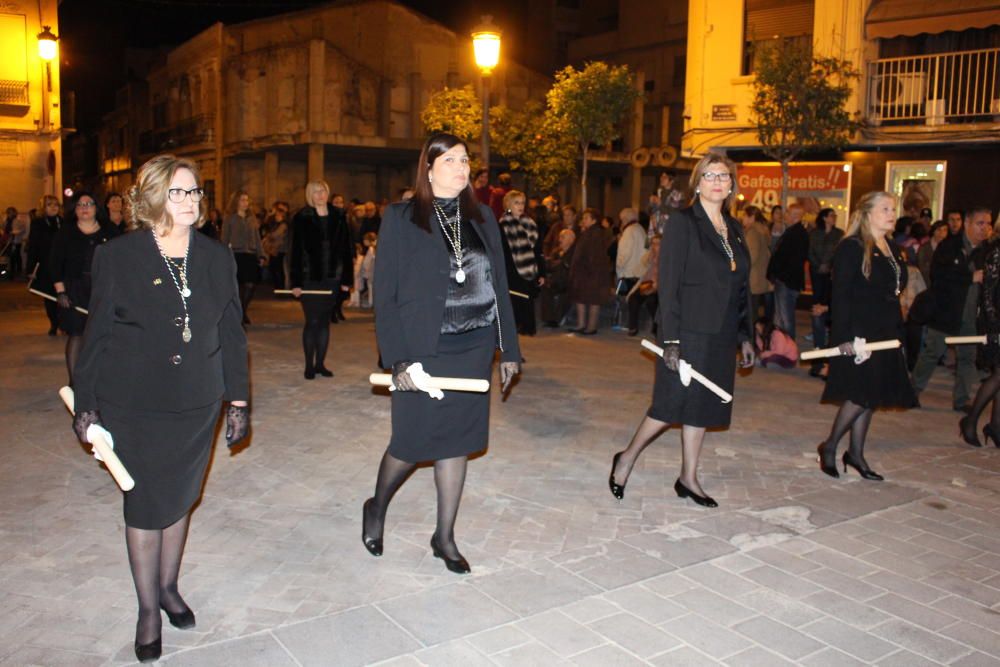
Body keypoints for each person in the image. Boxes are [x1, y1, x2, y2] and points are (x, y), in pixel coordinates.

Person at [69, 154, 250, 662]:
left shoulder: (217, 256)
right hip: (134, 402)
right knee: (146, 505)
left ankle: (169, 587)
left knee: (181, 497)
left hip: (197, 403)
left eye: (194, 192)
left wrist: (237, 399)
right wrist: (86, 406)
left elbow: (232, 333)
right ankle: (149, 608)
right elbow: (96, 335)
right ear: (150, 199)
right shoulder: (119, 256)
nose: (189, 202)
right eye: (178, 192)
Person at [363, 132, 520, 574]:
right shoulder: (400, 217)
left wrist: (509, 348)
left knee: (458, 441)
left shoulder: (484, 217)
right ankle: (376, 507)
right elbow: (386, 295)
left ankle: (444, 535)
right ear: (428, 169)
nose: (460, 167)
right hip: (421, 349)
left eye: (465, 160)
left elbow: (499, 286)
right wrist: (397, 359)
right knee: (411, 442)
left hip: (473, 345)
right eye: (449, 160)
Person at [610, 153, 755, 508]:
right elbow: (669, 284)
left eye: (724, 176)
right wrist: (670, 339)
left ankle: (688, 477)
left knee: (703, 405)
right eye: (709, 175)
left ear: (732, 184)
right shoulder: (682, 222)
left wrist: (745, 334)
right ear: (697, 182)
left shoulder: (734, 228)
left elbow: (741, 286)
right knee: (668, 404)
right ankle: (626, 457)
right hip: (687, 330)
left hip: (720, 333)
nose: (717, 181)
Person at [817, 191, 917, 480]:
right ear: (867, 213)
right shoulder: (852, 247)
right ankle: (830, 445)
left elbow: (894, 292)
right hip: (860, 331)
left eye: (893, 208)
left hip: (886, 330)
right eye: (885, 208)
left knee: (872, 395)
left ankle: (856, 453)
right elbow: (842, 296)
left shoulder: (894, 248)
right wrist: (845, 337)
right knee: (860, 394)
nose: (891, 213)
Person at [911, 207, 993, 412]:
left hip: (972, 314)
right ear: (967, 223)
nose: (984, 228)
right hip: (945, 311)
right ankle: (912, 391)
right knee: (932, 352)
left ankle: (962, 399)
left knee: (967, 357)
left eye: (988, 224)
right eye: (980, 223)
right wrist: (969, 278)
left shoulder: (988, 251)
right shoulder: (950, 246)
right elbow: (938, 276)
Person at [49, 192, 119, 383]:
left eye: (89, 203)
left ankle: (101, 380)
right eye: (80, 205)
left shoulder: (110, 231)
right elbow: (55, 265)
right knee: (77, 334)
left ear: (97, 207)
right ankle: (75, 383)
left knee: (104, 335)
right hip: (75, 290)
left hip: (103, 290)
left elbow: (122, 261)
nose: (84, 207)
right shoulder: (65, 233)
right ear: (74, 209)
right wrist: (61, 292)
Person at [289, 180, 354, 379]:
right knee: (312, 321)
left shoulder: (339, 215)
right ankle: (309, 365)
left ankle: (320, 364)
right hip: (310, 278)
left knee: (325, 322)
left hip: (333, 278)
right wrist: (296, 283)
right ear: (310, 195)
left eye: (323, 191)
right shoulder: (302, 217)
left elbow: (346, 249)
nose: (320, 195)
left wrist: (346, 279)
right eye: (316, 192)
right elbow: (296, 252)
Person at [961, 221, 1000, 447]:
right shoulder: (996, 251)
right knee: (998, 375)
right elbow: (988, 292)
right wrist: (994, 326)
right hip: (996, 321)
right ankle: (971, 420)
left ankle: (995, 425)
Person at [498, 189, 543, 335]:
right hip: (511, 271)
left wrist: (541, 272)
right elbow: (502, 252)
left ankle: (527, 329)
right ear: (509, 204)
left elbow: (538, 251)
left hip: (529, 269)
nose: (520, 206)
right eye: (517, 203)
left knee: (527, 302)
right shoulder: (503, 225)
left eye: (522, 203)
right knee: (514, 303)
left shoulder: (530, 224)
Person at [808, 208, 844, 378]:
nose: (834, 218)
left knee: (830, 316)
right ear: (824, 218)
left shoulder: (839, 234)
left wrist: (828, 266)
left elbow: (838, 253)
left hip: (832, 279)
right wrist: (818, 265)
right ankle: (818, 358)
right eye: (831, 215)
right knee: (817, 314)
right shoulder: (815, 233)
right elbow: (811, 251)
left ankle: (828, 361)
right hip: (817, 275)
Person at [221, 190, 266, 325]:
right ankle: (239, 314)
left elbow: (257, 238)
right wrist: (223, 257)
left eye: (247, 200)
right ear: (236, 202)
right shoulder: (230, 218)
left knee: (251, 285)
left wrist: (261, 254)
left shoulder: (252, 218)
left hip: (250, 255)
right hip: (236, 255)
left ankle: (242, 310)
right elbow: (224, 238)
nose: (245, 203)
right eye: (242, 200)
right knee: (239, 287)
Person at [766, 203, 809, 340]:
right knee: (780, 317)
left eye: (788, 212)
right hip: (785, 281)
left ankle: (788, 348)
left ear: (795, 216)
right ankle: (780, 346)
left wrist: (779, 275)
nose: (785, 215)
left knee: (786, 318)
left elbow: (791, 260)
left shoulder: (797, 234)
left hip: (787, 282)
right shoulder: (793, 232)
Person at [568, 208, 612, 335]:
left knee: (593, 300)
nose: (583, 220)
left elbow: (594, 254)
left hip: (592, 272)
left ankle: (591, 327)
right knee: (580, 298)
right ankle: (581, 324)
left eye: (586, 218)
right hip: (584, 272)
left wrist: (589, 268)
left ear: (594, 220)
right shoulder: (587, 232)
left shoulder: (596, 233)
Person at [27, 195, 63, 335]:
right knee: (49, 297)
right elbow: (33, 246)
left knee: (63, 295)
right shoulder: (38, 223)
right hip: (46, 265)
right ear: (44, 207)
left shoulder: (64, 222)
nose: (53, 207)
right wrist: (31, 268)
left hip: (62, 265)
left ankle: (63, 322)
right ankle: (54, 323)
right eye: (49, 205)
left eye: (56, 204)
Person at [616, 207, 646, 335]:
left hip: (627, 272)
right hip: (639, 271)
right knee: (635, 302)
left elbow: (624, 253)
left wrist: (618, 267)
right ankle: (633, 326)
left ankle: (626, 325)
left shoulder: (629, 231)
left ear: (625, 219)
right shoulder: (641, 229)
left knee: (625, 300)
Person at [740, 205, 772, 322]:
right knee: (754, 310)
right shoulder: (762, 230)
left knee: (750, 313)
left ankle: (751, 338)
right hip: (758, 277)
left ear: (752, 217)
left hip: (752, 279)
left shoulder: (753, 232)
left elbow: (751, 257)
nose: (742, 218)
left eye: (744, 215)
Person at [626, 234, 661, 336]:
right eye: (653, 243)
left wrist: (657, 284)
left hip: (659, 287)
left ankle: (656, 327)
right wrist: (648, 258)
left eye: (657, 244)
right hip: (646, 284)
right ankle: (633, 327)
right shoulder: (648, 257)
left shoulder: (666, 258)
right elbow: (640, 272)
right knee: (633, 298)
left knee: (651, 301)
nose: (654, 246)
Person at [540, 228, 575, 327]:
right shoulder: (557, 250)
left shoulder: (574, 252)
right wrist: (559, 263)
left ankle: (557, 318)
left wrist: (558, 263)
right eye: (560, 237)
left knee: (563, 292)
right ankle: (549, 319)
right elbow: (548, 264)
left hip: (569, 280)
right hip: (556, 279)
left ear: (570, 240)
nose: (560, 239)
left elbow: (567, 265)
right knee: (545, 288)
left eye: (563, 237)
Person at [261, 201, 289, 289]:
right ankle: (278, 287)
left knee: (278, 270)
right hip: (274, 249)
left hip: (280, 249)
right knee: (274, 269)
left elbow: (274, 235)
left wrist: (268, 236)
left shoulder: (283, 225)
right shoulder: (276, 224)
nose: (276, 217)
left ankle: (280, 288)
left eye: (277, 215)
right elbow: (267, 228)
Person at [917, 220, 948, 285]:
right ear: (934, 231)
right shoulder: (924, 248)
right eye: (939, 230)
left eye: (945, 230)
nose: (941, 233)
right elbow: (921, 268)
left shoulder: (948, 248)